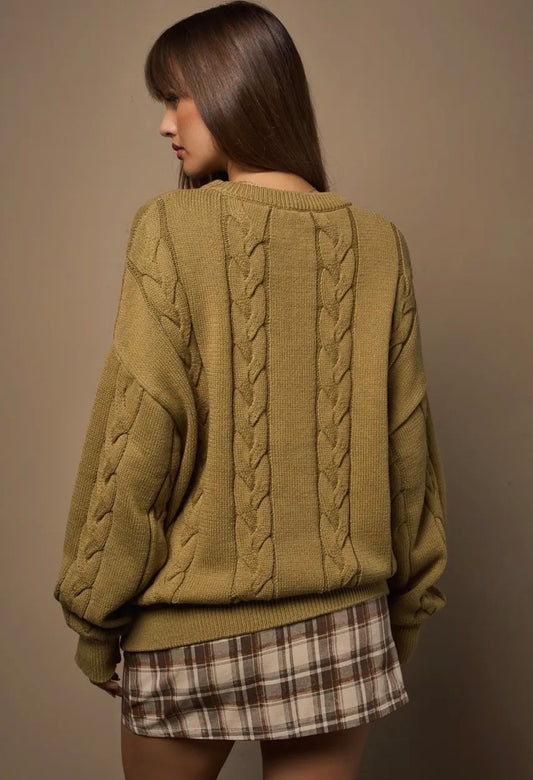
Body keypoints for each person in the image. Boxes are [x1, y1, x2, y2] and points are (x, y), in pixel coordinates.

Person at [52, 2, 448, 778]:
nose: (165, 123)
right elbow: (408, 454)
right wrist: (400, 618)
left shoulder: (170, 227)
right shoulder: (377, 243)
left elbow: (137, 443)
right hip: (342, 627)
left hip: (190, 630)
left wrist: (93, 618)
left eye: (177, 97)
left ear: (234, 88)